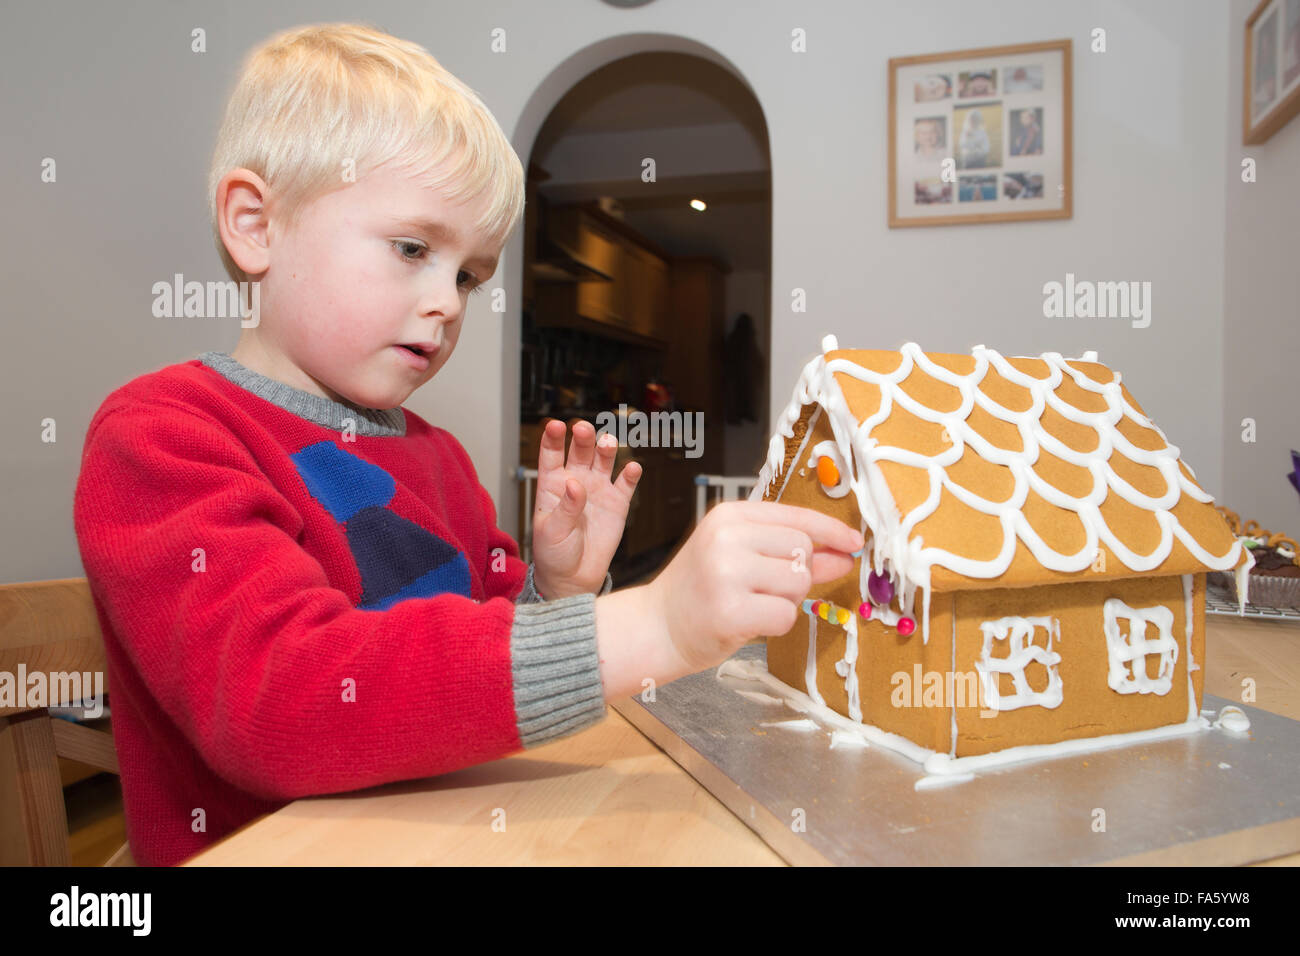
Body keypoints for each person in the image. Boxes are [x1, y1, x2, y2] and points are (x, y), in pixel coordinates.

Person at [72, 22, 862, 866]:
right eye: (412, 249)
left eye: (469, 276)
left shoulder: (438, 456)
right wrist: (652, 627)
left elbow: (457, 682)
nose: (447, 301)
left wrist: (555, 592)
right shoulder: (163, 437)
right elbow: (280, 705)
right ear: (255, 224)